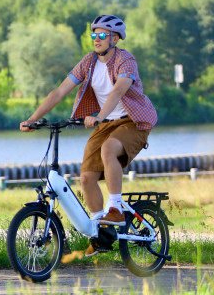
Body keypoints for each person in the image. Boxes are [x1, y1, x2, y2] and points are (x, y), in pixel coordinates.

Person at [19, 14, 158, 257]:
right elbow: (59, 91)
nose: (96, 39)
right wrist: (32, 119)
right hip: (104, 124)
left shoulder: (126, 60)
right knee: (86, 178)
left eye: (102, 34)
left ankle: (114, 208)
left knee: (108, 150)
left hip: (133, 121)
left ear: (115, 38)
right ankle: (101, 233)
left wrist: (100, 115)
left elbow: (119, 90)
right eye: (94, 34)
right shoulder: (89, 62)